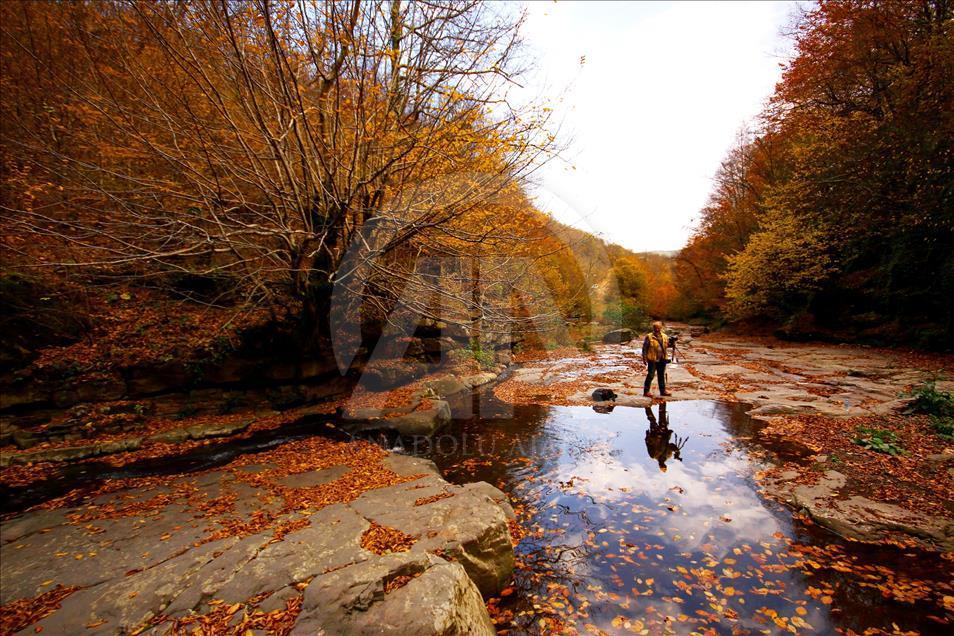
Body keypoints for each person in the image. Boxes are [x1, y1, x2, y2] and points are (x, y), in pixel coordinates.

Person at [643, 402, 686, 472]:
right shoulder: (668, 455)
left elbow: (648, 445)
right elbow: (671, 445)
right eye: (664, 466)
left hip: (654, 434)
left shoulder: (653, 456)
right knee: (662, 416)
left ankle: (647, 406)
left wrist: (647, 436)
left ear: (659, 465)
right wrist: (677, 452)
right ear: (665, 465)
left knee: (652, 420)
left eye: (661, 466)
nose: (662, 465)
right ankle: (662, 402)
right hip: (664, 433)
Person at [642, 320, 673, 397]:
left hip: (662, 359)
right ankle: (646, 392)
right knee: (651, 375)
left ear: (661, 328)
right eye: (655, 328)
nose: (657, 329)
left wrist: (672, 343)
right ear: (653, 328)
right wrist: (644, 358)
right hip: (652, 359)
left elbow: (667, 346)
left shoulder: (665, 336)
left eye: (658, 328)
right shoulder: (649, 336)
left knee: (661, 375)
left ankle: (663, 391)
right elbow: (644, 348)